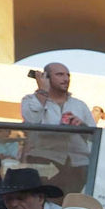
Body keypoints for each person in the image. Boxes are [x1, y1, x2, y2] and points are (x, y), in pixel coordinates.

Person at [19, 63, 94, 193]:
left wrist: (81, 126)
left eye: (68, 75)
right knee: (43, 199)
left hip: (77, 164)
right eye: (60, 74)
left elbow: (94, 137)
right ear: (46, 77)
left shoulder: (79, 105)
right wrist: (42, 91)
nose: (66, 79)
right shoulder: (30, 100)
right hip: (44, 160)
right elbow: (31, 121)